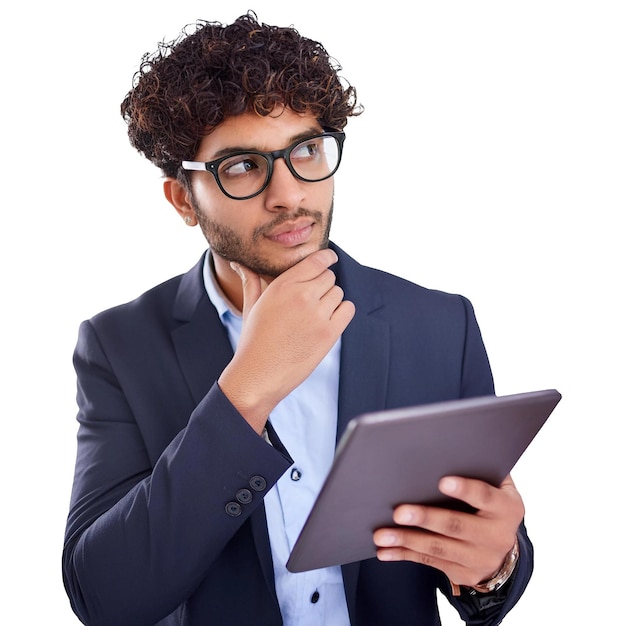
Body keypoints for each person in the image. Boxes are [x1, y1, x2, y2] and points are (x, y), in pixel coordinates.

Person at [62, 12, 532, 626]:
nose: (289, 194)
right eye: (241, 166)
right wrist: (247, 388)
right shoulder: (119, 345)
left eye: (307, 151)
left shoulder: (441, 325)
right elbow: (106, 598)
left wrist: (495, 565)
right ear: (183, 198)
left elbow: (483, 548)